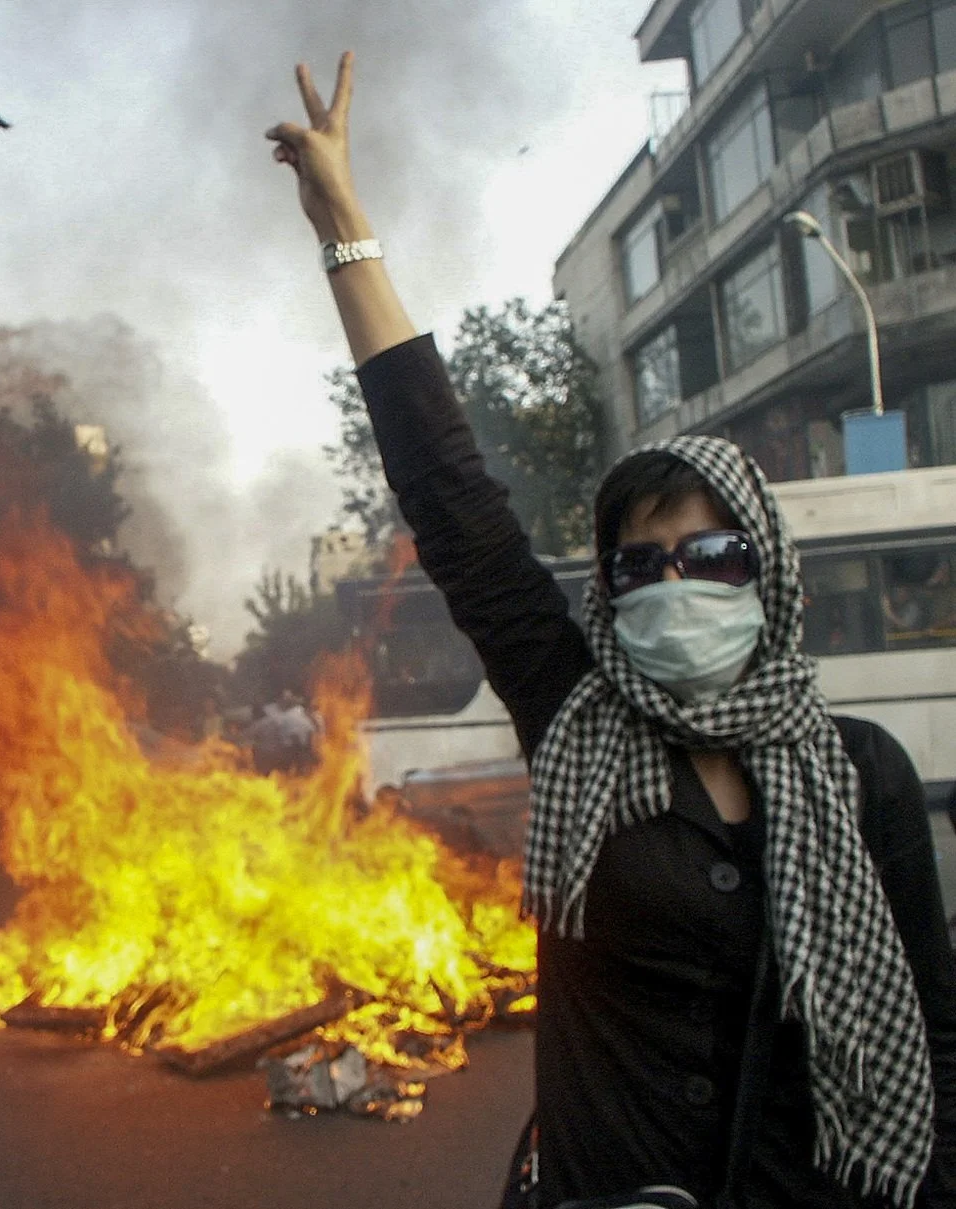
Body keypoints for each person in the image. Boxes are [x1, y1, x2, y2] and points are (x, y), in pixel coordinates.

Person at [266, 54, 956, 1209]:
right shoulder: (576, 718)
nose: (671, 583)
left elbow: (929, 1037)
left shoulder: (861, 775)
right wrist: (344, 224)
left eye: (710, 556)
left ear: (766, 579)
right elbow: (452, 501)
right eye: (639, 563)